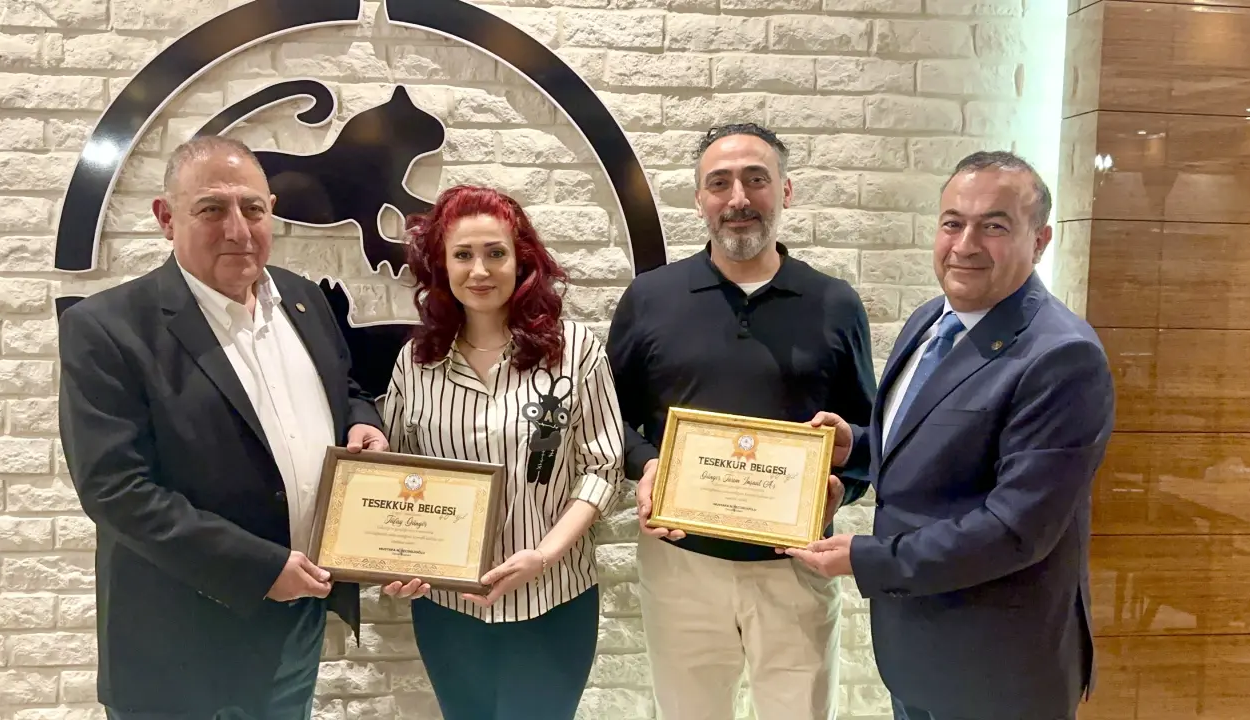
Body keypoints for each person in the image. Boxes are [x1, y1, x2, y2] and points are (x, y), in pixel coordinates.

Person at [57, 135, 427, 720]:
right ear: (166, 217)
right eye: (211, 208)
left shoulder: (303, 299)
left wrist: (363, 425)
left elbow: (345, 389)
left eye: (252, 208)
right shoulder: (106, 329)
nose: (238, 229)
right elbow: (115, 489)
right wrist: (259, 569)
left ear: (271, 210)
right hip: (179, 647)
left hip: (296, 626)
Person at [788, 151, 1116, 720]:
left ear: (1040, 241)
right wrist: (858, 447)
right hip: (921, 652)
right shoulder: (931, 319)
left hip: (998, 668)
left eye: (994, 226)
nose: (965, 244)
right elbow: (939, 444)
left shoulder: (1062, 357)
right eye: (952, 222)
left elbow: (1015, 530)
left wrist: (869, 559)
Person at [605, 122, 877, 720]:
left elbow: (867, 439)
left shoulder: (834, 303)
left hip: (796, 564)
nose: (738, 198)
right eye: (719, 183)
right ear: (699, 198)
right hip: (681, 565)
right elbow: (608, 420)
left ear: (786, 191)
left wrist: (843, 487)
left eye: (757, 179)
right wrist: (647, 466)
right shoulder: (651, 298)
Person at [381, 184, 625, 720]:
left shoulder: (574, 350)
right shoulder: (416, 363)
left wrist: (544, 555)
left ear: (522, 261)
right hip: (448, 607)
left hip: (554, 597)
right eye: (463, 255)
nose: (480, 270)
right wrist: (396, 558)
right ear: (441, 266)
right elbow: (397, 478)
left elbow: (603, 469)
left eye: (495, 253)